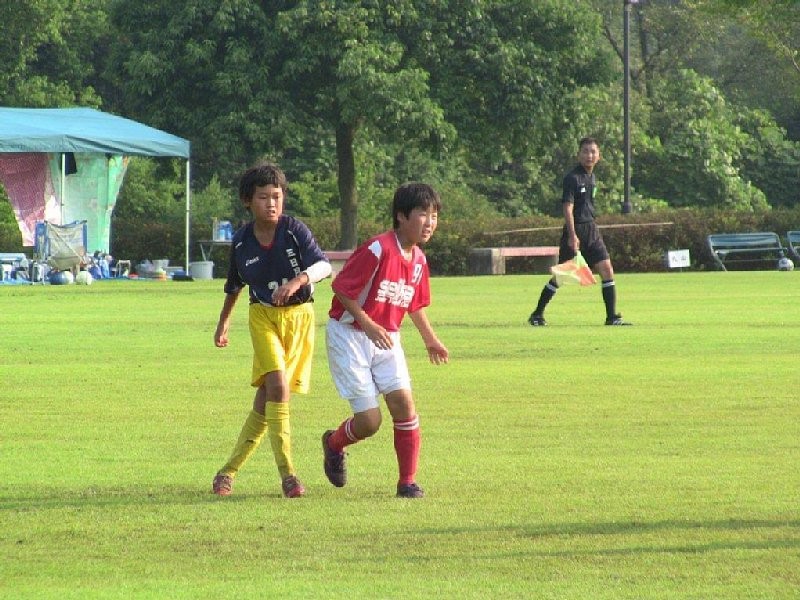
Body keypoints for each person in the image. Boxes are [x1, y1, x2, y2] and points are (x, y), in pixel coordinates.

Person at [211, 162, 332, 498]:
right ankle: (288, 475)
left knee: (267, 398)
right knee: (278, 386)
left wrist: (297, 281)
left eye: (276, 196)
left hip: (300, 318)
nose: (271, 203)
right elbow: (234, 285)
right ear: (247, 201)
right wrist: (223, 323)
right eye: (263, 197)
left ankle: (227, 472)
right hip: (263, 317)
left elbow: (324, 266)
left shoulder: (294, 231)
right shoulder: (241, 241)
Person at [321, 182, 449, 499]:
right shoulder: (378, 249)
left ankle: (407, 482)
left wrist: (430, 340)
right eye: (423, 214)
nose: (430, 222)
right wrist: (367, 324)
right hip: (350, 335)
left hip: (386, 337)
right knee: (369, 421)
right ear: (401, 216)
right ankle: (334, 443)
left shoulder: (418, 260)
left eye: (434, 215)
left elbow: (413, 304)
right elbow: (341, 288)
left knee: (404, 404)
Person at [528, 136, 632, 327]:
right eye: (585, 151)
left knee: (607, 269)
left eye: (593, 152)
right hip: (576, 230)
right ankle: (537, 314)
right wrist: (572, 235)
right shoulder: (572, 178)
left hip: (592, 229)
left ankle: (612, 317)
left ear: (598, 155)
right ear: (578, 155)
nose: (589, 155)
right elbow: (568, 208)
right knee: (561, 276)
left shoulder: (592, 177)